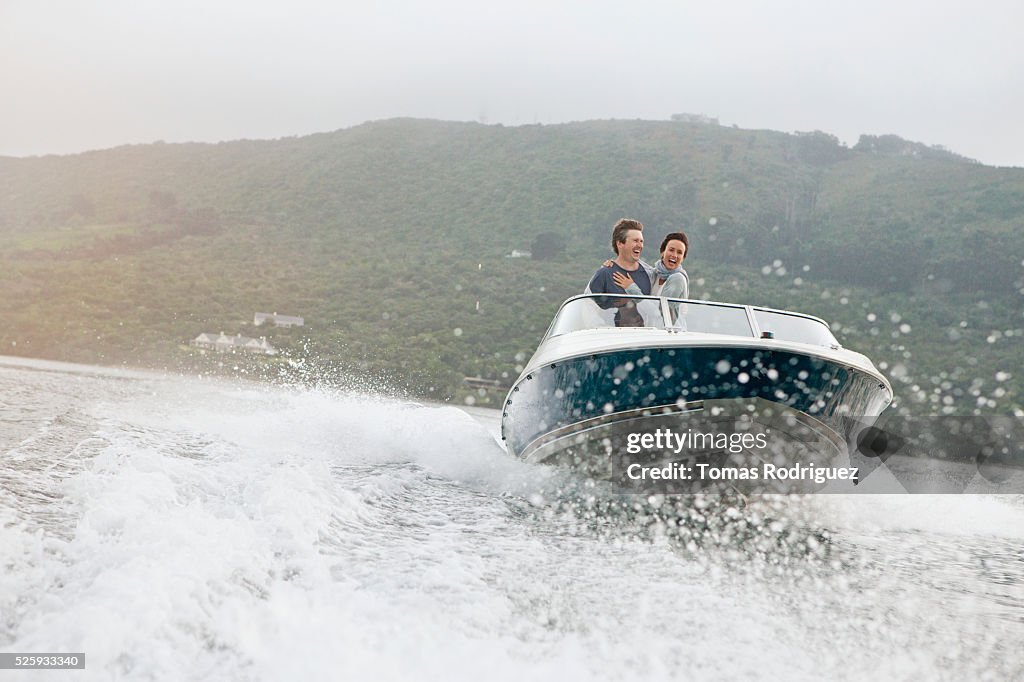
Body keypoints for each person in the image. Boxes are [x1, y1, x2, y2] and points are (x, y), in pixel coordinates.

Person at [613, 231, 690, 299]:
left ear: (683, 258)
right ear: (662, 252)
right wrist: (613, 263)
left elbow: (660, 312)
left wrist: (631, 288)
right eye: (671, 250)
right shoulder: (655, 274)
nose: (674, 255)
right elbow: (636, 264)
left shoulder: (677, 279)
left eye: (679, 252)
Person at [586, 218, 653, 295]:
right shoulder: (604, 273)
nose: (640, 245)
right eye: (635, 241)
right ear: (620, 243)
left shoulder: (650, 274)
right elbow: (587, 303)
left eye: (641, 241)